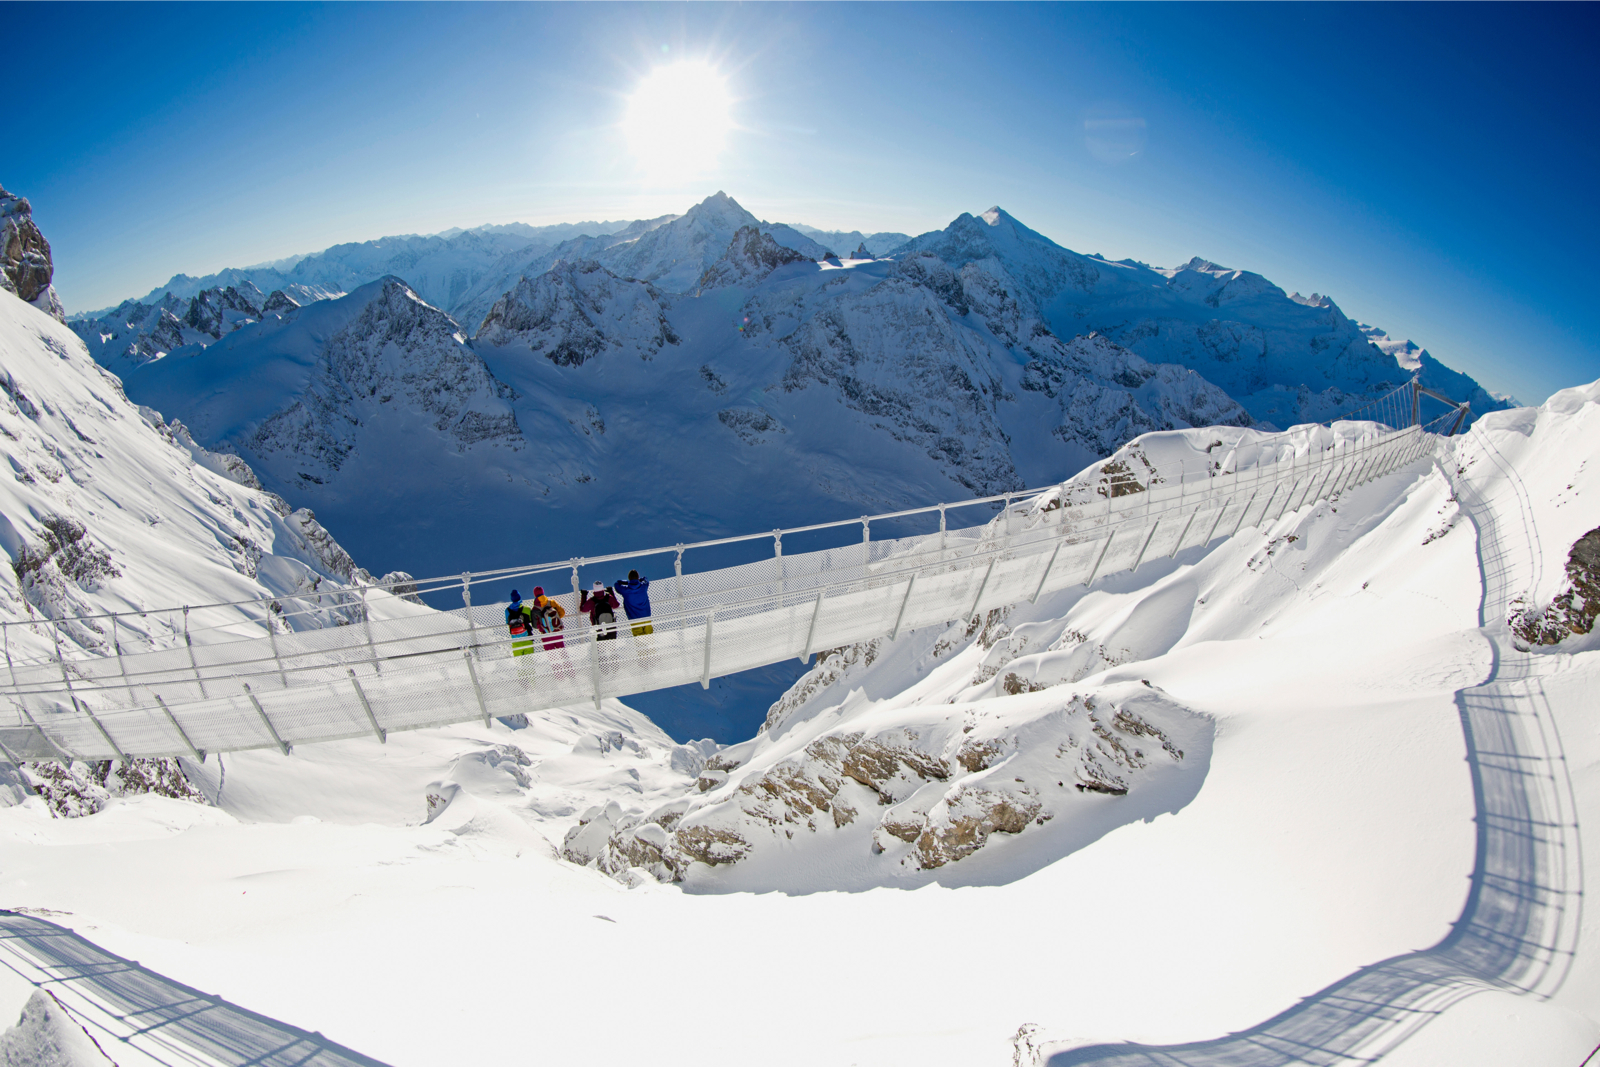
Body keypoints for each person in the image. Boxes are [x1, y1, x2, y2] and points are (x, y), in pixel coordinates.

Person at [614, 569, 653, 636]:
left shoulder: (625, 591)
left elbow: (617, 584)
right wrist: (640, 580)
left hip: (635, 619)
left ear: (629, 578)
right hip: (646, 617)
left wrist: (627, 582)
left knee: (640, 641)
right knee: (650, 638)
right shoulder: (643, 587)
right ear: (638, 577)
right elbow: (646, 579)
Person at [531, 586, 565, 650]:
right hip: (556, 631)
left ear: (534, 594)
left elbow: (535, 625)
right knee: (562, 653)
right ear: (543, 592)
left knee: (552, 656)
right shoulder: (552, 602)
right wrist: (553, 620)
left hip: (546, 634)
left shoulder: (534, 609)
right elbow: (562, 613)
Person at [505, 589, 537, 657]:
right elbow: (531, 620)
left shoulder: (507, 611)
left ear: (511, 599)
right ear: (520, 597)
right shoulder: (526, 609)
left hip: (516, 641)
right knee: (530, 663)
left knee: (519, 665)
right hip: (527, 639)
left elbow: (508, 622)